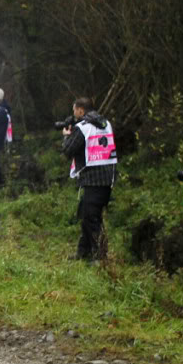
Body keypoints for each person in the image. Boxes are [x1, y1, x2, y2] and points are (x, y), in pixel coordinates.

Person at [61, 96, 117, 261]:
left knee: (92, 219)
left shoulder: (83, 127)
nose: (74, 114)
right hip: (107, 177)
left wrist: (66, 135)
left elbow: (67, 151)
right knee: (88, 215)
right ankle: (83, 252)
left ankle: (99, 257)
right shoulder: (106, 124)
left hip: (92, 178)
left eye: (74, 110)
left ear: (80, 110)